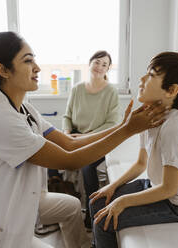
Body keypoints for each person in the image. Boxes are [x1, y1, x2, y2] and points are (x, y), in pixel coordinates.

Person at [0, 32, 168, 248]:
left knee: (71, 206)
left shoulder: (24, 108)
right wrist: (128, 130)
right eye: (28, 61)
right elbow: (70, 160)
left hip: (17, 200)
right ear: (3, 70)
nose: (37, 67)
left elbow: (70, 143)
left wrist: (121, 127)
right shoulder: (0, 120)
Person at [89, 51, 178, 248]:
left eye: (151, 75)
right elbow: (141, 163)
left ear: (171, 91)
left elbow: (170, 188)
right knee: (97, 201)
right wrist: (112, 186)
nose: (141, 79)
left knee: (103, 221)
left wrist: (123, 201)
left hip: (177, 204)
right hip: (157, 187)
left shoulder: (174, 127)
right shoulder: (148, 116)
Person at [57, 50, 120, 228]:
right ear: (90, 63)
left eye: (104, 64)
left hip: (98, 139)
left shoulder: (110, 92)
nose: (99, 67)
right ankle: (65, 207)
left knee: (87, 167)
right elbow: (66, 116)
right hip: (75, 136)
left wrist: (85, 137)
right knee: (52, 159)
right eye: (97, 62)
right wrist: (68, 133)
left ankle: (92, 216)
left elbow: (111, 124)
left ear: (108, 69)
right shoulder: (77, 88)